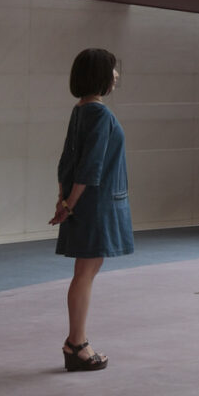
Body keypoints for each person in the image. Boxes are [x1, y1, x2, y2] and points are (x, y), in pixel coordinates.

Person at [49, 47, 132, 372]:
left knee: (83, 273)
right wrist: (70, 203)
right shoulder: (99, 113)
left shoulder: (80, 110)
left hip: (82, 201)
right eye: (112, 69)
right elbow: (91, 166)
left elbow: (67, 161)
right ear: (99, 75)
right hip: (96, 204)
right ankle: (77, 344)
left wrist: (64, 199)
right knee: (85, 274)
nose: (116, 75)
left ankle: (76, 342)